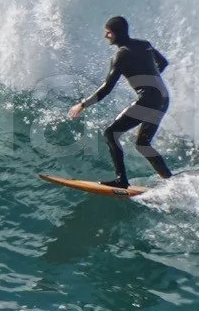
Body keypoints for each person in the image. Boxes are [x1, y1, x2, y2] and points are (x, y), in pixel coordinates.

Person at [65, 16, 173, 187]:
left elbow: (107, 88)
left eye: (107, 33)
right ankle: (167, 178)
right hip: (163, 98)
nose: (105, 36)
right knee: (143, 144)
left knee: (110, 133)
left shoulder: (120, 56)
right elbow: (164, 63)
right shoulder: (144, 44)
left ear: (114, 33)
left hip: (148, 100)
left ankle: (121, 181)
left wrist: (83, 104)